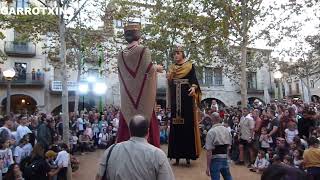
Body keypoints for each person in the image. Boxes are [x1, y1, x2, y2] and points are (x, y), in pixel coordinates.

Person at [116, 23, 163, 147]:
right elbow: (148, 70)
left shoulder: (120, 55)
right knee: (148, 127)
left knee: (126, 131)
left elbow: (125, 76)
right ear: (138, 35)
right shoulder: (143, 50)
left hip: (127, 103)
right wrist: (157, 68)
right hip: (144, 103)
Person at [96, 115, 174, 180]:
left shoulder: (111, 150)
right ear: (148, 132)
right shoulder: (158, 154)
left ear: (130, 131)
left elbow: (99, 177)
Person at [167, 46, 202, 165]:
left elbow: (194, 79)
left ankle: (188, 156)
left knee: (187, 126)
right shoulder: (172, 67)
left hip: (186, 99)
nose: (176, 55)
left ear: (182, 54)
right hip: (175, 100)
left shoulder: (190, 66)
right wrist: (170, 76)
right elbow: (170, 82)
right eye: (174, 54)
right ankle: (175, 156)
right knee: (175, 127)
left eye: (178, 53)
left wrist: (193, 87)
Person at [205, 112, 232, 180]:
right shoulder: (226, 130)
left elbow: (209, 151)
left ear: (212, 120)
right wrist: (227, 158)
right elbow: (229, 146)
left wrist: (208, 166)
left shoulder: (211, 132)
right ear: (219, 118)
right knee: (228, 178)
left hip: (215, 159)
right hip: (224, 158)